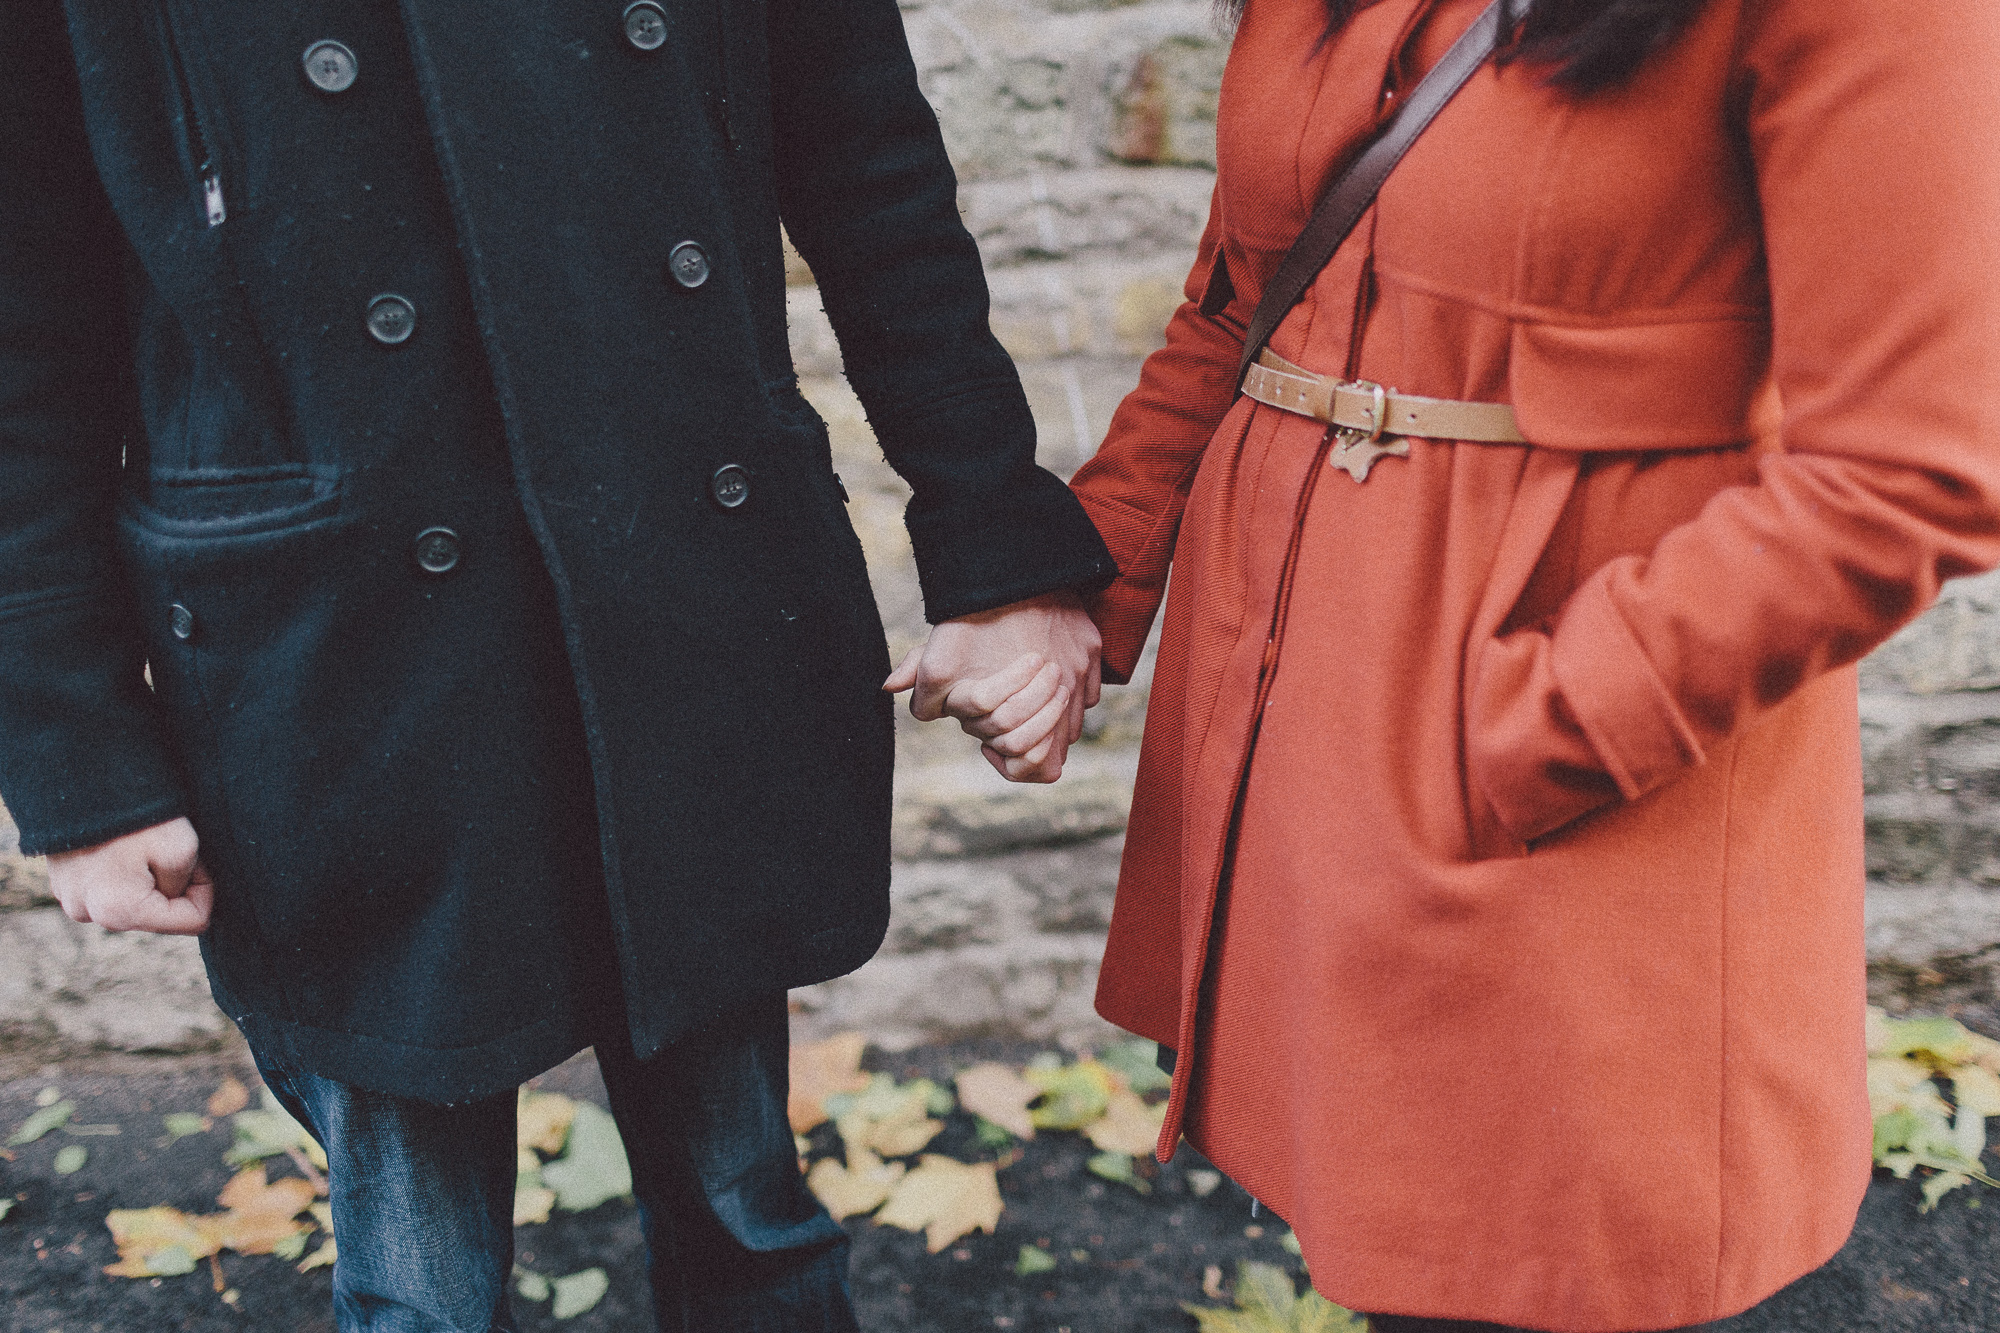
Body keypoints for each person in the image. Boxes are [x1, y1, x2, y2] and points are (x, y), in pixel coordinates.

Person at [0, 2, 1109, 1329]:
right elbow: (25, 322)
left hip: (674, 601)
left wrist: (1000, 550)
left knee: (748, 1215)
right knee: (421, 1286)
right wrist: (80, 761)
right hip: (337, 660)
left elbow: (871, 167)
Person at [1064, 0, 2000, 1330]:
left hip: (1572, 792)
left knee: (1541, 1277)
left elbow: (1906, 477)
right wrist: (1074, 582)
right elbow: (1248, 307)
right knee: (1397, 1267)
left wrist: (1552, 724)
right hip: (1303, 768)